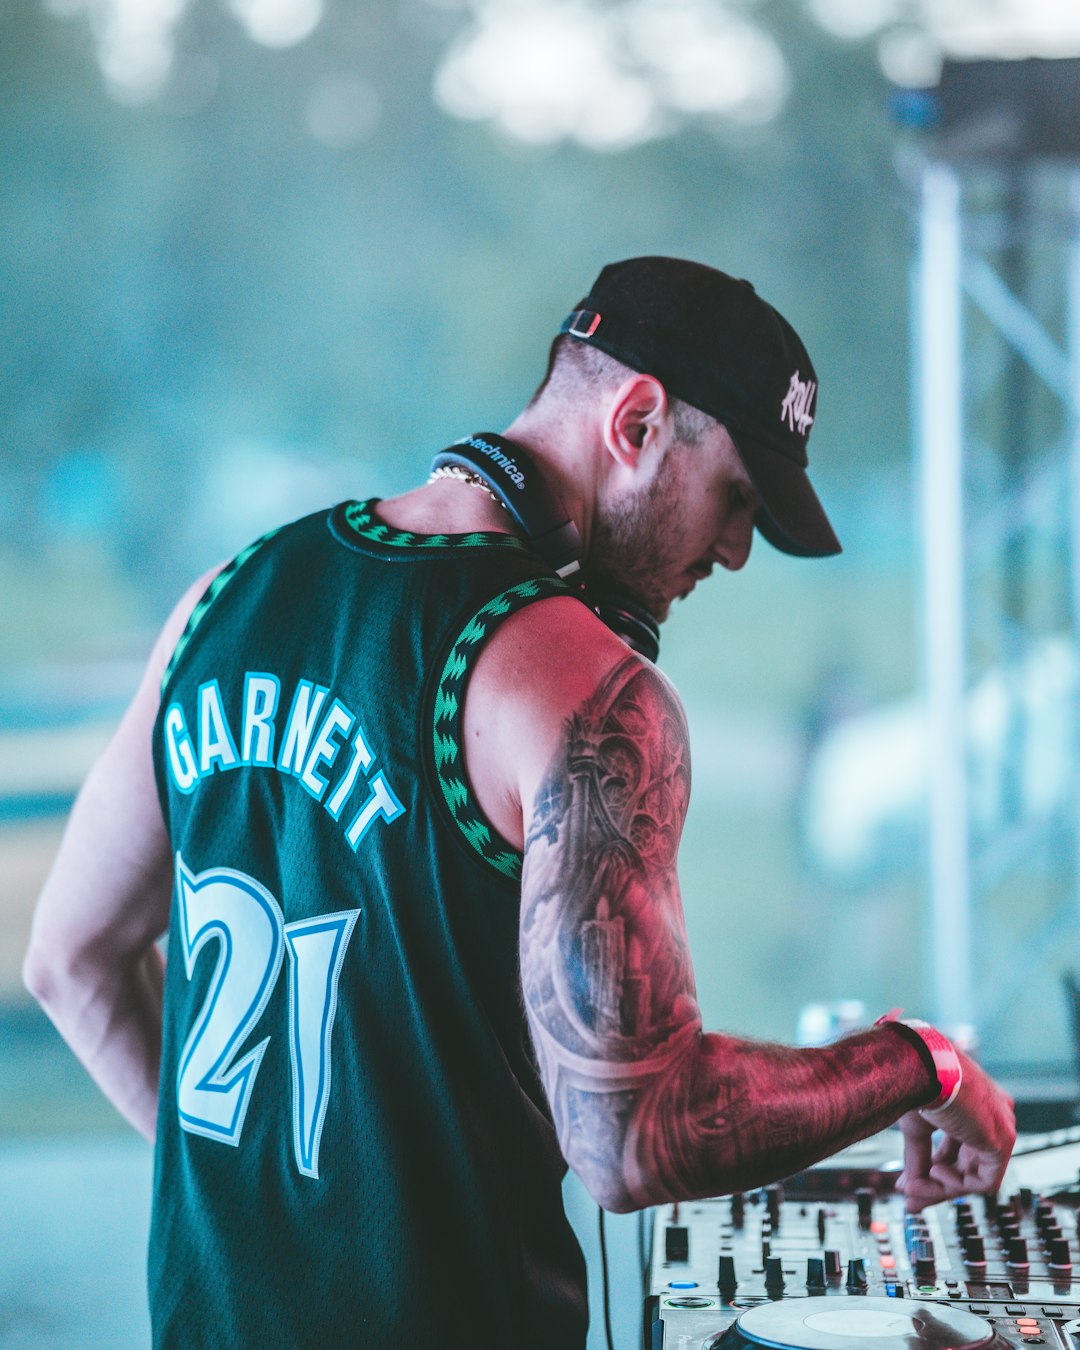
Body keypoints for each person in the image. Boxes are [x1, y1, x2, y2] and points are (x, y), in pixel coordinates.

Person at [24, 257, 1015, 1349]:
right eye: (737, 497)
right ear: (637, 420)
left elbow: (69, 961)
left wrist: (255, 1196)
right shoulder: (580, 685)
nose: (735, 552)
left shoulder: (222, 598)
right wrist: (922, 1061)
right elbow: (636, 1137)